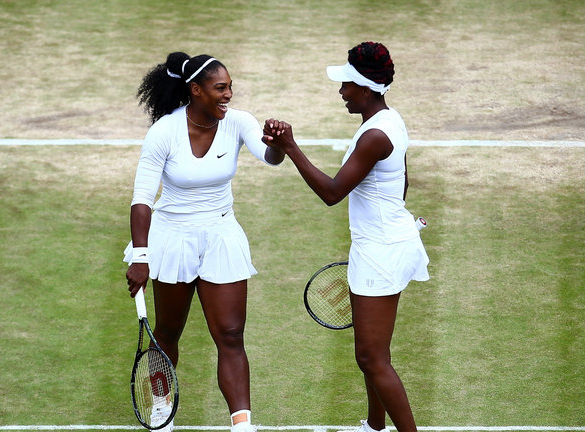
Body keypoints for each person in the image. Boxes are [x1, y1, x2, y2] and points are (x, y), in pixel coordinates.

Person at [262, 42, 429, 432]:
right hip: (384, 243)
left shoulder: (374, 136)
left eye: (347, 86)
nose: (341, 93)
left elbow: (332, 193)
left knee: (372, 358)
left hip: (381, 251)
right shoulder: (389, 121)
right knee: (371, 353)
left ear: (366, 88)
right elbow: (401, 182)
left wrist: (291, 147)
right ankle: (374, 427)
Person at [124, 52, 285, 432]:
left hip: (221, 235)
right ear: (195, 91)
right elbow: (142, 199)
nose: (229, 94)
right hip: (172, 238)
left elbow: (272, 158)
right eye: (220, 88)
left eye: (230, 87)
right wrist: (141, 257)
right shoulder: (164, 132)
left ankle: (242, 423)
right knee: (166, 333)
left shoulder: (239, 122)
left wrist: (278, 143)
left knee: (230, 334)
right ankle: (162, 406)